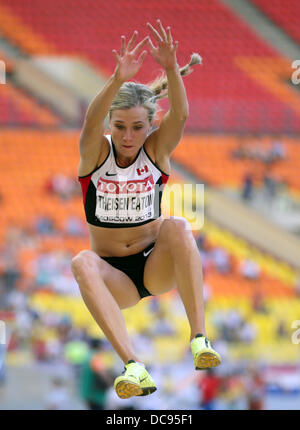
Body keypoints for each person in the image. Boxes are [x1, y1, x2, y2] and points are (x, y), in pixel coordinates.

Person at [71, 19, 221, 400]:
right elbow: (90, 123)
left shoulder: (156, 151)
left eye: (137, 127)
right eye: (120, 126)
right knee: (80, 262)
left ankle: (199, 339)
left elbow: (182, 117)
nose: (127, 136)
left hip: (156, 265)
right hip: (115, 277)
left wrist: (172, 68)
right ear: (111, 124)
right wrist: (117, 80)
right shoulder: (96, 153)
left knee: (178, 225)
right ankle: (133, 366)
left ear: (150, 124)